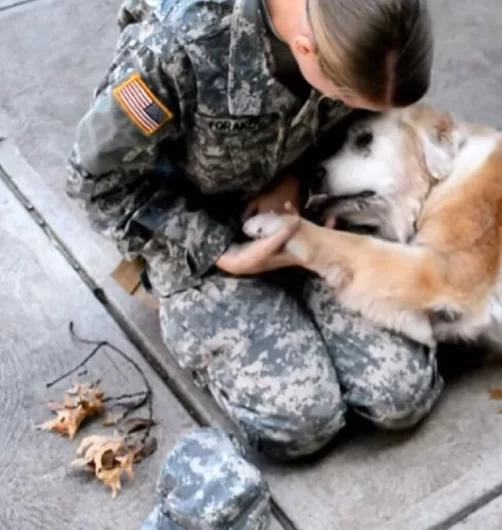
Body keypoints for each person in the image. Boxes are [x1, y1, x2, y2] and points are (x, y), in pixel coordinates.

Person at [66, 0, 443, 464]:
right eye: (344, 97)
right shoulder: (176, 48)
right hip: (200, 239)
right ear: (305, 48)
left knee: (400, 393)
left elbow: (363, 115)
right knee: (305, 425)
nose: (346, 107)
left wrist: (299, 183)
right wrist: (222, 251)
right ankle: (191, 308)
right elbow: (95, 183)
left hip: (307, 209)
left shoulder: (367, 21)